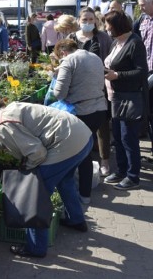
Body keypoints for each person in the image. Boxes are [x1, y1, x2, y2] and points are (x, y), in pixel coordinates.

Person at [0, 94, 93, 258]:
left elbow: (37, 153)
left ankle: (36, 248)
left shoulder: (3, 123)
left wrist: (27, 171)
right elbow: (13, 136)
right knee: (65, 181)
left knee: (36, 196)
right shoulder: (10, 109)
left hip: (65, 144)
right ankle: (77, 220)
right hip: (82, 137)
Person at [51, 39, 107, 204]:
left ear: (63, 52)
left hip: (82, 112)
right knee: (86, 151)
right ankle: (85, 193)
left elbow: (59, 93)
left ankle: (81, 195)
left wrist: (55, 78)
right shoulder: (94, 57)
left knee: (79, 154)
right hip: (100, 109)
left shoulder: (68, 61)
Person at [103, 10, 149, 190]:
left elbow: (141, 72)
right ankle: (121, 170)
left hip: (129, 98)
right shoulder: (117, 42)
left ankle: (133, 176)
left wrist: (118, 75)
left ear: (117, 25)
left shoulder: (135, 43)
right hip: (115, 97)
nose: (106, 28)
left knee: (128, 138)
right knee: (118, 138)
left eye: (108, 25)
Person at [69, 7, 112, 175]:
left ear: (96, 21)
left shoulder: (103, 38)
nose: (87, 22)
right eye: (84, 19)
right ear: (78, 21)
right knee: (78, 124)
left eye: (90, 19)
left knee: (102, 125)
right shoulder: (72, 38)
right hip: (77, 88)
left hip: (98, 87)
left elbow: (109, 59)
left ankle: (105, 161)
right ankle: (78, 160)